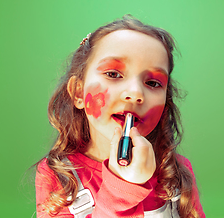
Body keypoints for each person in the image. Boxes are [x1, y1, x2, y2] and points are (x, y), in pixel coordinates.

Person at [35, 16, 205, 218]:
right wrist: (123, 188)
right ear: (78, 92)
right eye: (113, 74)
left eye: (152, 83)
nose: (135, 93)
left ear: (165, 104)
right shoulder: (58, 176)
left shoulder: (177, 172)